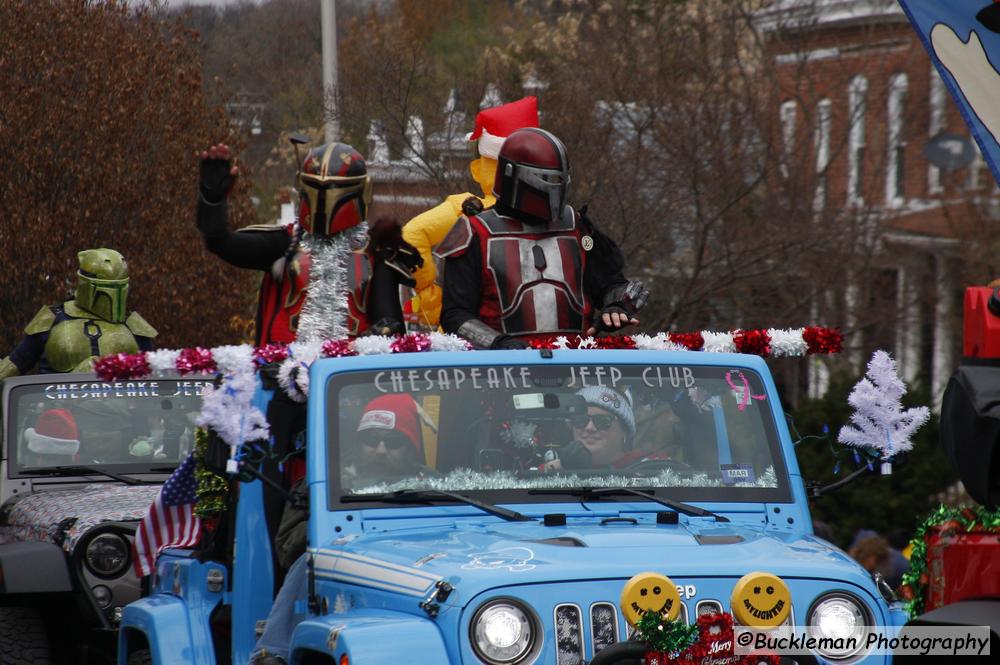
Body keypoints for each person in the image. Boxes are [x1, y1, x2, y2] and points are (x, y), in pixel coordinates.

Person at [251, 394, 431, 665]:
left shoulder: (436, 488)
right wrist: (330, 529)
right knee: (306, 562)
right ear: (358, 443)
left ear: (412, 448)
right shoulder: (320, 485)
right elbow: (287, 548)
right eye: (371, 440)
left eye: (393, 443)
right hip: (338, 598)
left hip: (414, 586)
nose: (381, 450)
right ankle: (273, 650)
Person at [437, 127, 648, 349]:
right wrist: (497, 343)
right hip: (499, 372)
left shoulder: (577, 226)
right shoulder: (473, 233)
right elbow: (455, 315)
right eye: (546, 179)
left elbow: (613, 284)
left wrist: (616, 306)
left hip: (575, 365)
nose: (555, 188)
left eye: (560, 179)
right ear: (512, 175)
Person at [197, 141, 420, 345]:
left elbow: (390, 323)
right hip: (280, 376)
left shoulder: (374, 252)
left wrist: (356, 348)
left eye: (333, 190)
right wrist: (212, 201)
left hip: (347, 379)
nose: (324, 200)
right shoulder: (285, 243)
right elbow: (221, 242)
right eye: (317, 189)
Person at [401, 96, 539, 328]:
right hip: (537, 339)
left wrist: (432, 298)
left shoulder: (464, 208)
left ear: (477, 169)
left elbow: (411, 235)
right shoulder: (554, 213)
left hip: (470, 340)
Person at [0, 249, 157, 380]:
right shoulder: (52, 319)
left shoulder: (132, 325)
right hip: (56, 412)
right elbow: (15, 364)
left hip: (120, 414)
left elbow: (155, 379)